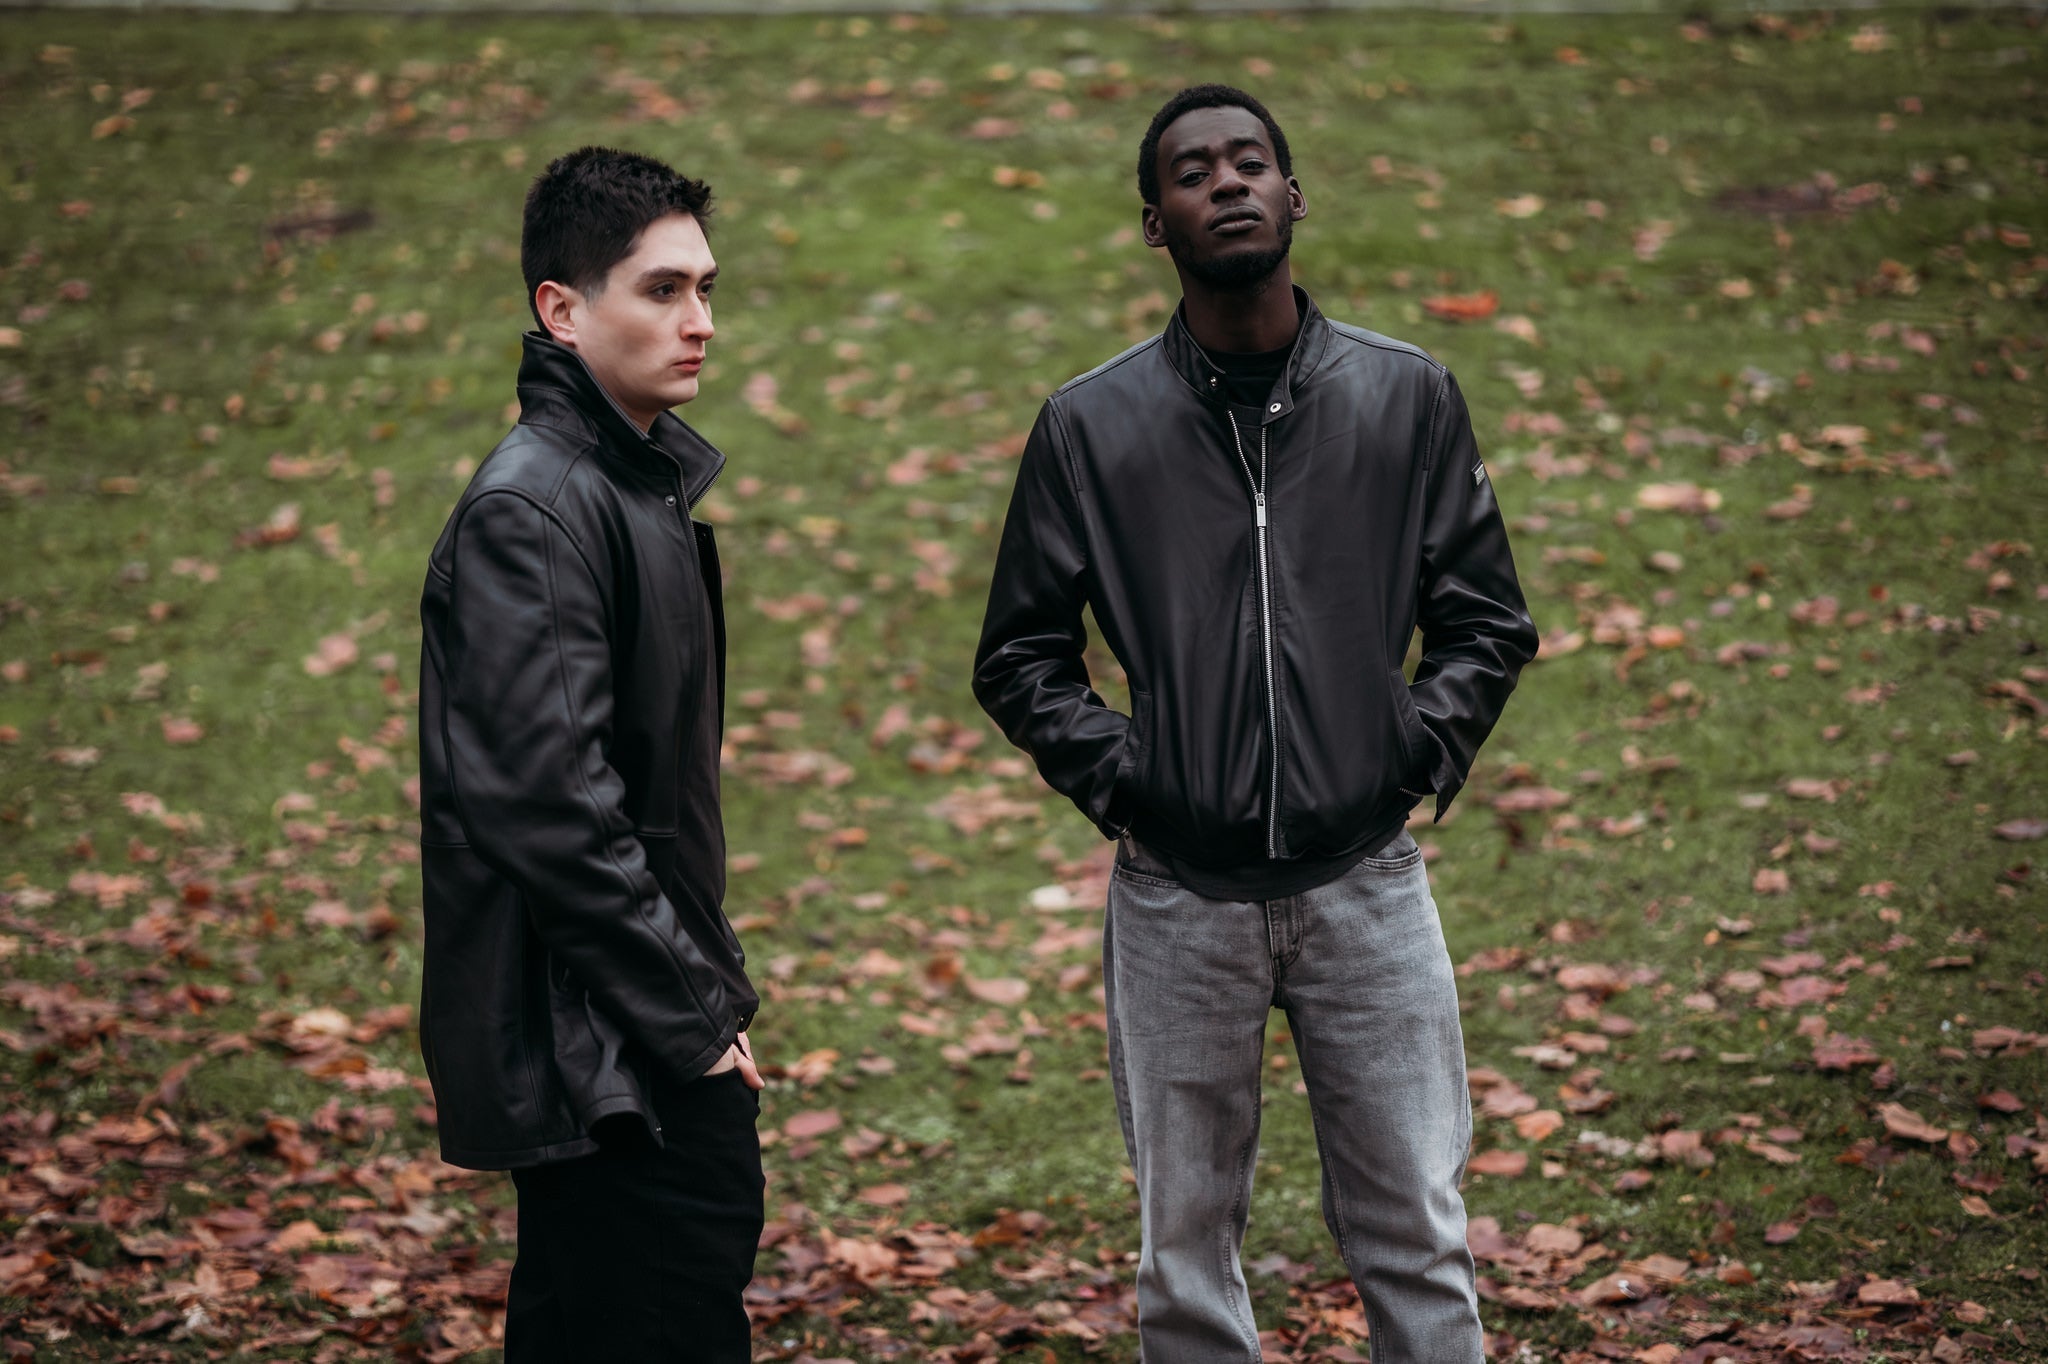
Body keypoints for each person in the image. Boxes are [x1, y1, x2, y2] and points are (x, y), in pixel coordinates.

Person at [973, 85, 1538, 1361]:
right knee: (1184, 1259)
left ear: (1294, 195)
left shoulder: (1404, 397)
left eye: (1248, 163)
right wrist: (1137, 776)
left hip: (1367, 887)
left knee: (1417, 1236)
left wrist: (1406, 753)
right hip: (1178, 900)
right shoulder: (1090, 426)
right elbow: (1017, 654)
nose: (1224, 183)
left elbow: (1486, 621)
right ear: (1153, 223)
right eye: (1190, 172)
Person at [417, 146, 763, 1362]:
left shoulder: (629, 486)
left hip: (626, 1016)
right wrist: (693, 1021)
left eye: (705, 288)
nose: (700, 321)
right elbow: (553, 809)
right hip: (601, 1047)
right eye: (661, 290)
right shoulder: (536, 510)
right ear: (560, 311)